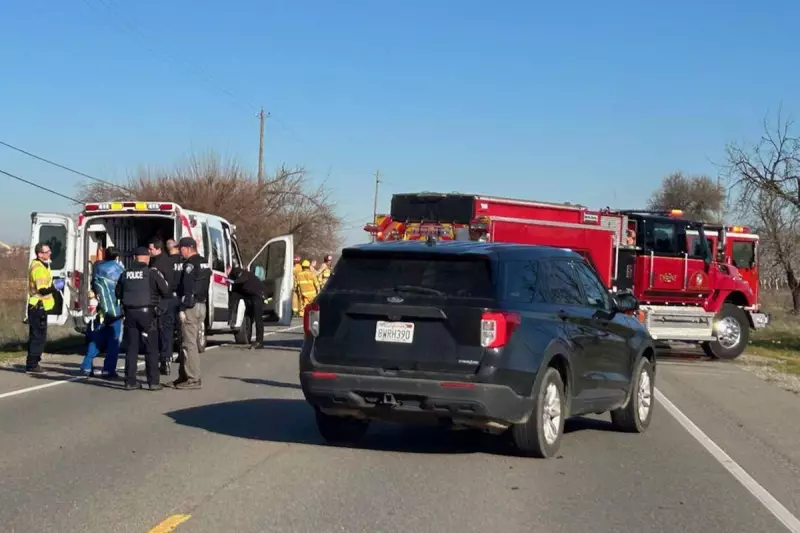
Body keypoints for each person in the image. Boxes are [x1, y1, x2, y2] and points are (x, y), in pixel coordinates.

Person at [115, 246, 171, 390]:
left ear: (134, 258)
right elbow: (166, 292)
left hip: (130, 314)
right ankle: (153, 382)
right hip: (148, 314)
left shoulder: (125, 274)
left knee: (131, 348)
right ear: (147, 258)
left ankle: (130, 381)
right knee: (151, 348)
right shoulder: (152, 273)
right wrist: (161, 309)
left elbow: (118, 293)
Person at [80, 247, 124, 378]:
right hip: (115, 311)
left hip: (101, 310)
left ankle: (87, 365)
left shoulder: (97, 267)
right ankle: (108, 369)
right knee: (113, 340)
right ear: (117, 257)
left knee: (96, 338)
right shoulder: (119, 269)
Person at [173, 237, 211, 389]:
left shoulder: (189, 264)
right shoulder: (204, 262)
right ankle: (183, 375)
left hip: (190, 306)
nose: (179, 251)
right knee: (186, 342)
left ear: (188, 248)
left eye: (181, 248)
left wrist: (182, 308)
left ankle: (193, 379)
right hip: (201, 305)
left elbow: (187, 288)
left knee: (189, 344)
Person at [26, 242, 62, 374]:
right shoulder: (38, 268)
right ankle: (32, 365)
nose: (50, 253)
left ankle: (33, 362)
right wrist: (55, 287)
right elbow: (42, 290)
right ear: (40, 254)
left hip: (40, 306)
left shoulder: (43, 265)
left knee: (39, 335)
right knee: (38, 337)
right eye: (47, 252)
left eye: (49, 251)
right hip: (38, 306)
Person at [148, 238, 181, 376]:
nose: (149, 251)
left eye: (150, 249)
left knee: (163, 331)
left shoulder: (162, 263)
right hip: (165, 299)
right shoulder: (159, 261)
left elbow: (166, 284)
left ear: (157, 248)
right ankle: (164, 359)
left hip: (165, 300)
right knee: (164, 331)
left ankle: (163, 359)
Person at [227, 266, 268, 349]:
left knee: (258, 319)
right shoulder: (232, 275)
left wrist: (232, 282)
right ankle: (248, 338)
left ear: (228, 268)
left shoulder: (236, 270)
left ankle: (260, 342)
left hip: (258, 294)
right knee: (249, 317)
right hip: (250, 296)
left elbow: (243, 278)